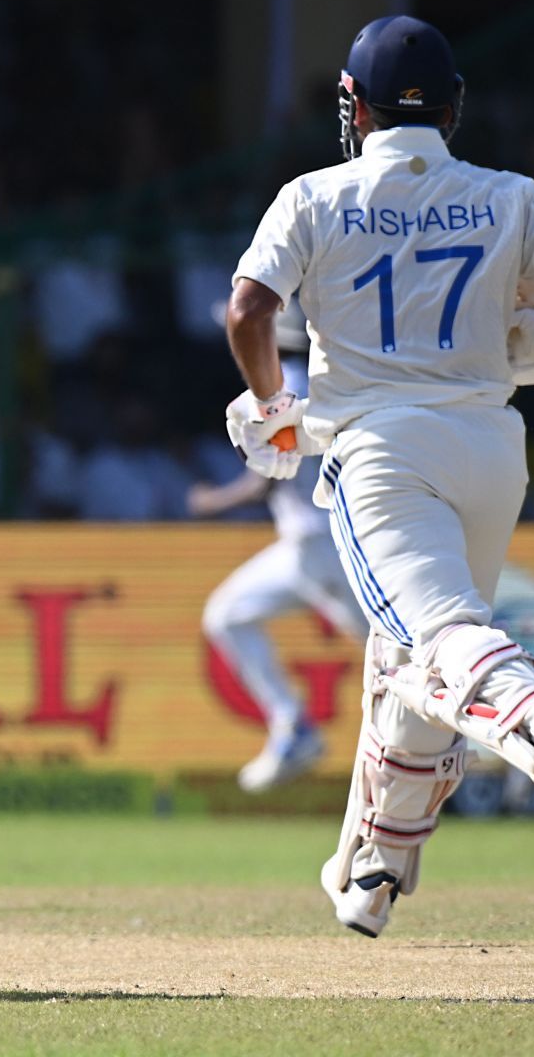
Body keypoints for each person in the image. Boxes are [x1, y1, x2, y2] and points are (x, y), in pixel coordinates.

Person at [224, 15, 534, 938]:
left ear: (353, 108)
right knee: (413, 658)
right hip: (491, 447)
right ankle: (374, 870)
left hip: (382, 452)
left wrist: (276, 408)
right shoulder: (509, 195)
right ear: (452, 107)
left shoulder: (313, 197)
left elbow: (250, 313)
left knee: (439, 640)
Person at [190, 300, 363, 791]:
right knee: (227, 614)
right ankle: (292, 726)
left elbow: (267, 479)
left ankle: (499, 729)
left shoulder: (288, 382)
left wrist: (211, 502)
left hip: (326, 544)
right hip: (304, 545)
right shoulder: (309, 376)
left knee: (398, 658)